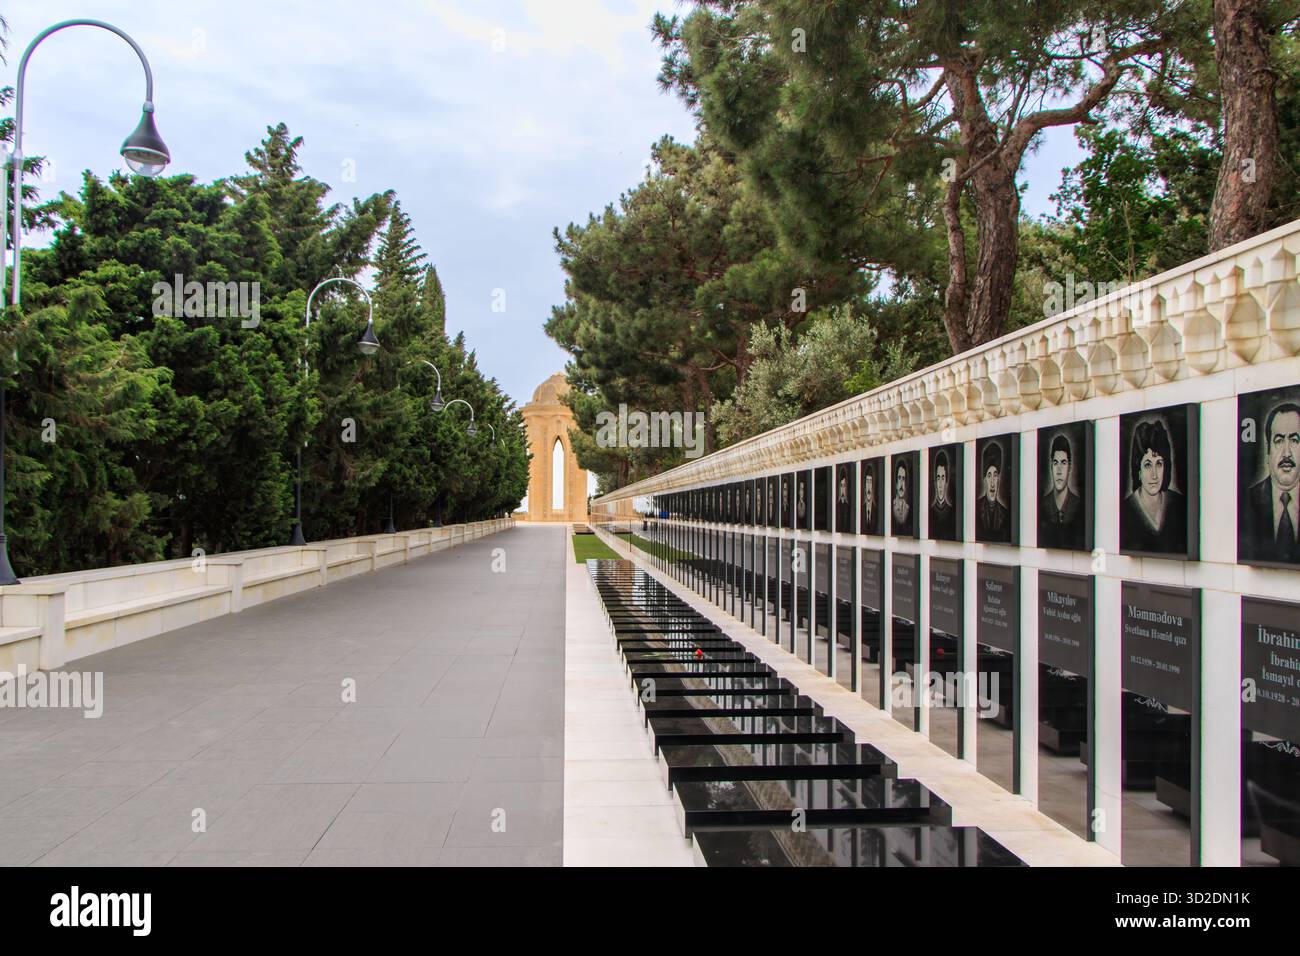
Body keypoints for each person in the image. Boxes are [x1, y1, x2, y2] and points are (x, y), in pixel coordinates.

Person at [1241, 402, 1300, 564]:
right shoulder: (1247, 501)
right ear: (1268, 450)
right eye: (1279, 440)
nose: (1286, 453)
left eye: (1294, 440)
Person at [1121, 418, 1186, 554]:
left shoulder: (1179, 503)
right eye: (1148, 465)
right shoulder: (1126, 509)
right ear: (1138, 469)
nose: (1154, 475)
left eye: (1159, 464)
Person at [1039, 432, 1083, 549]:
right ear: (1051, 466)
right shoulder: (1043, 505)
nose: (1059, 470)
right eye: (1055, 463)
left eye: (1063, 463)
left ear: (1069, 467)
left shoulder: (1078, 506)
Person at [977, 441, 1011, 542]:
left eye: (995, 475)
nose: (992, 482)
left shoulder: (1005, 512)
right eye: (989, 475)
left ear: (999, 479)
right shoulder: (977, 509)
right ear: (984, 480)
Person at [930, 449, 957, 539]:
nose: (940, 484)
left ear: (947, 480)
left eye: (943, 478)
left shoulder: (953, 509)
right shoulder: (931, 510)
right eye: (938, 478)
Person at [892, 459, 913, 536]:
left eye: (903, 479)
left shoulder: (908, 508)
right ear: (896, 482)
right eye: (899, 478)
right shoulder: (892, 505)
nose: (901, 483)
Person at [862, 466, 877, 535]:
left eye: (870, 481)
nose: (869, 485)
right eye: (867, 481)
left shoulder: (876, 509)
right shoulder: (861, 509)